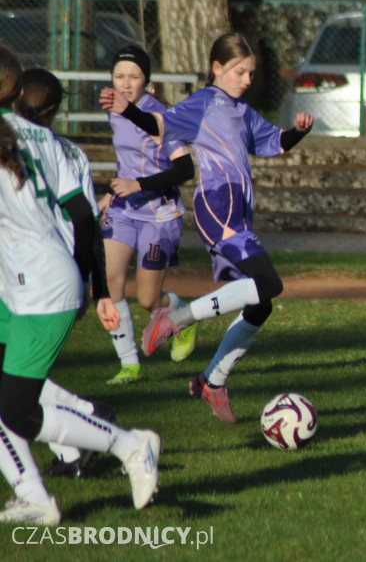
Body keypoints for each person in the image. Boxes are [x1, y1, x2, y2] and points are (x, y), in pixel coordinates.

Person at [100, 32, 313, 424]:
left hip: (238, 212)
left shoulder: (242, 110)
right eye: (239, 71)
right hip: (218, 205)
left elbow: (275, 142)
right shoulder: (202, 103)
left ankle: (211, 381)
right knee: (269, 284)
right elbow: (157, 122)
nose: (246, 79)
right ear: (217, 68)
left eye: (250, 72)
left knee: (260, 304)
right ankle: (176, 319)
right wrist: (128, 109)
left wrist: (299, 131)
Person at [0, 45, 160, 524]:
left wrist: (94, 286)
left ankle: (130, 445)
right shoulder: (34, 136)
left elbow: (82, 218)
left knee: (17, 413)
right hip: (22, 281)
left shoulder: (12, 136)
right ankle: (35, 496)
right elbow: (79, 216)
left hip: (41, 287)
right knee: (10, 404)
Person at [11, 67, 123, 477]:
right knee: (17, 372)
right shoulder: (70, 152)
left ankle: (88, 419)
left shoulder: (14, 144)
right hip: (61, 271)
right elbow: (87, 221)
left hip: (28, 271)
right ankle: (74, 450)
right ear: (56, 110)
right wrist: (97, 289)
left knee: (15, 375)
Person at [97, 45, 197, 384]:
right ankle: (129, 364)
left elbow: (185, 168)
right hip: (124, 210)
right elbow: (126, 161)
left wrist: (138, 185)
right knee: (112, 281)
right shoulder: (113, 109)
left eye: (134, 77)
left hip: (159, 214)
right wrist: (111, 195)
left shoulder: (162, 118)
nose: (125, 84)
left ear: (148, 81)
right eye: (119, 76)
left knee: (147, 299)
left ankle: (183, 317)